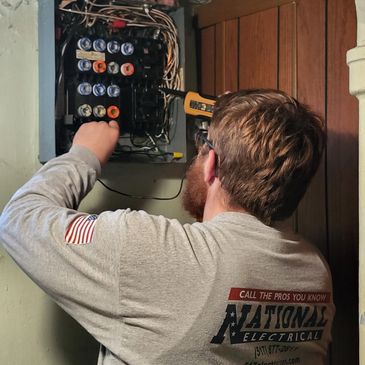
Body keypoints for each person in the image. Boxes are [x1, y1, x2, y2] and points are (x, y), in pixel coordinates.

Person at [0, 89, 334, 365]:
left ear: (212, 164)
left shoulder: (155, 252)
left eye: (204, 143)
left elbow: (19, 219)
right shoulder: (313, 271)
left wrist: (83, 155)